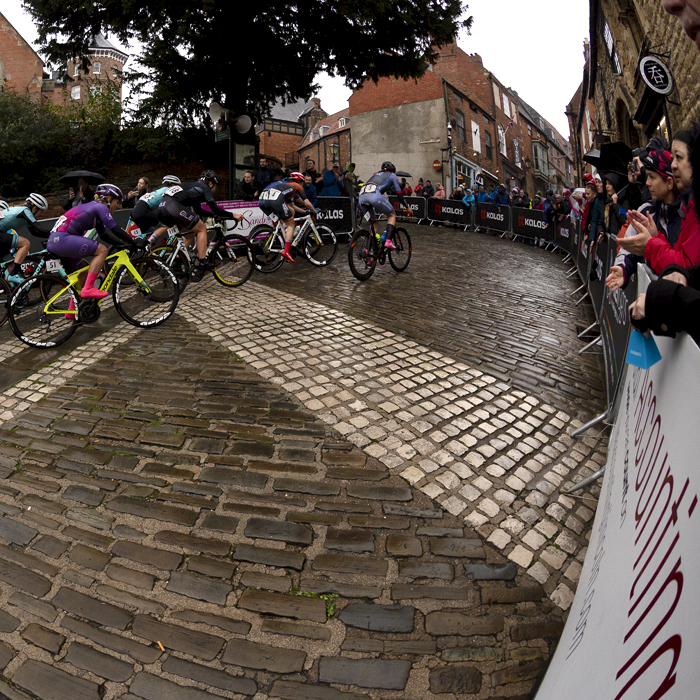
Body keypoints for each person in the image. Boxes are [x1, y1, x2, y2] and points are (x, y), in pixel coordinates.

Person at [617, 128, 699, 273]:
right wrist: (623, 268)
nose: (674, 165)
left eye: (678, 157)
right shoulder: (689, 205)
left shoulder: (686, 209)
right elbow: (678, 255)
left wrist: (651, 243)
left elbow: (686, 268)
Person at [47, 184, 142, 308]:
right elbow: (114, 228)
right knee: (102, 250)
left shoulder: (93, 209)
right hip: (62, 239)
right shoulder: (100, 207)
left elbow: (104, 235)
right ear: (109, 199)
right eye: (117, 202)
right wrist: (134, 242)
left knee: (83, 274)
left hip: (57, 240)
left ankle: (74, 310)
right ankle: (89, 289)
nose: (117, 206)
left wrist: (123, 244)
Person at [607, 150, 681, 291]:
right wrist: (623, 268)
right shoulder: (646, 210)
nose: (647, 183)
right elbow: (629, 247)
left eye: (652, 177)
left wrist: (617, 206)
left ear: (670, 182)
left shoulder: (686, 214)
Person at [156, 170, 243, 278]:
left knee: (190, 235)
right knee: (201, 229)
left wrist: (214, 216)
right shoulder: (205, 187)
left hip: (162, 209)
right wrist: (232, 215)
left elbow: (199, 210)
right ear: (211, 183)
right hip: (173, 207)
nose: (215, 190)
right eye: (216, 187)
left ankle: (177, 262)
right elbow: (215, 208)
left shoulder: (193, 188)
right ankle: (202, 262)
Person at [258, 172, 318, 263]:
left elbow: (291, 205)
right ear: (300, 182)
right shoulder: (297, 186)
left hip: (261, 202)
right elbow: (305, 203)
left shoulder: (284, 185)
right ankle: (286, 250)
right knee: (291, 224)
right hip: (274, 201)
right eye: (302, 182)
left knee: (286, 215)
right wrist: (314, 212)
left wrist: (304, 212)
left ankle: (275, 235)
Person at [358, 161, 410, 251]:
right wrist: (407, 207)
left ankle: (367, 253)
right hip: (373, 196)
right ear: (392, 170)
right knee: (392, 214)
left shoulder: (376, 174)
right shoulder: (392, 175)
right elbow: (399, 195)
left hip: (361, 198)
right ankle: (388, 241)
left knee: (375, 224)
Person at [0, 193, 49, 285]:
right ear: (35, 208)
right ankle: (13, 275)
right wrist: (55, 232)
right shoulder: (25, 211)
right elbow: (39, 228)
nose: (41, 214)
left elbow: (34, 232)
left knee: (10, 265)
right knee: (25, 243)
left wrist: (50, 236)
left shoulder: (23, 214)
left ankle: (12, 294)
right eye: (41, 211)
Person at [128, 175, 180, 241]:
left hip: (135, 212)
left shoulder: (160, 190)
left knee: (151, 232)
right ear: (173, 185)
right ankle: (149, 244)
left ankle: (147, 248)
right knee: (165, 226)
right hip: (142, 211)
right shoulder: (168, 191)